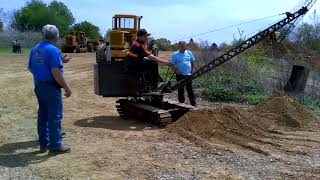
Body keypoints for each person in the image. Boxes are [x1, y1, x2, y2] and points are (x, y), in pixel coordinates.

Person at [28, 24, 72, 154]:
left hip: (39, 85)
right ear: (56, 37)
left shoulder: (35, 49)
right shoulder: (53, 50)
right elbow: (55, 71)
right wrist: (67, 88)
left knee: (43, 114)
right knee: (54, 116)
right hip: (51, 88)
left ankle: (43, 144)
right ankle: (56, 145)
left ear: (43, 35)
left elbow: (31, 68)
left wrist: (42, 74)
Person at [171, 41, 197, 106]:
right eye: (182, 46)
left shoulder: (189, 53)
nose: (184, 48)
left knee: (190, 89)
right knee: (180, 89)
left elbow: (193, 61)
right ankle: (181, 103)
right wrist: (176, 70)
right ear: (179, 46)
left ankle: (193, 103)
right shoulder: (175, 54)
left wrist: (193, 70)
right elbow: (172, 64)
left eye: (185, 46)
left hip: (188, 74)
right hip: (180, 75)